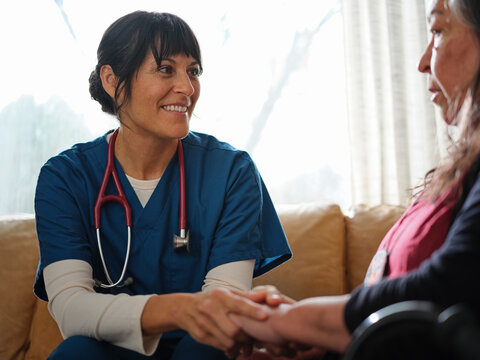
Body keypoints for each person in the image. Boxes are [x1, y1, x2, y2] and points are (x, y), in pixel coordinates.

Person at [33, 11, 291, 360]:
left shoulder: (232, 171)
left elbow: (222, 309)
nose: (187, 88)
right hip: (111, 348)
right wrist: (178, 309)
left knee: (207, 350)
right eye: (166, 69)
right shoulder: (65, 177)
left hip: (200, 347)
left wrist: (191, 314)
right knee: (76, 352)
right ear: (111, 79)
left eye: (193, 71)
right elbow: (71, 310)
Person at [231, 0, 480, 356]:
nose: (422, 61)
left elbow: (445, 290)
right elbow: (394, 308)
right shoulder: (457, 178)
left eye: (438, 31)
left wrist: (289, 320)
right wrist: (317, 338)